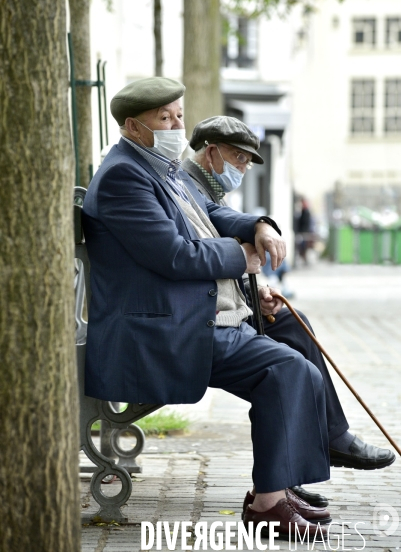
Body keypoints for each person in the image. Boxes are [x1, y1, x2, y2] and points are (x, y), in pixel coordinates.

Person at [80, 78, 387, 539]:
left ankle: (299, 468)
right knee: (289, 370)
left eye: (179, 114)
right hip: (163, 332)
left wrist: (259, 226)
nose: (177, 124)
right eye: (165, 118)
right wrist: (241, 258)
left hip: (184, 315)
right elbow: (174, 255)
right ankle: (268, 504)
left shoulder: (156, 167)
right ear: (133, 126)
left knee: (291, 330)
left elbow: (210, 214)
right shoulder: (125, 176)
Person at [184, 115, 395, 498]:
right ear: (211, 152)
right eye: (238, 158)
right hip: (203, 320)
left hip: (225, 308)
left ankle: (327, 439)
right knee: (287, 367)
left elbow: (224, 225)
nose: (243, 168)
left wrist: (257, 278)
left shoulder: (206, 189)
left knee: (295, 324)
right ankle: (292, 474)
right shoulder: (184, 185)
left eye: (248, 162)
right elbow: (195, 256)